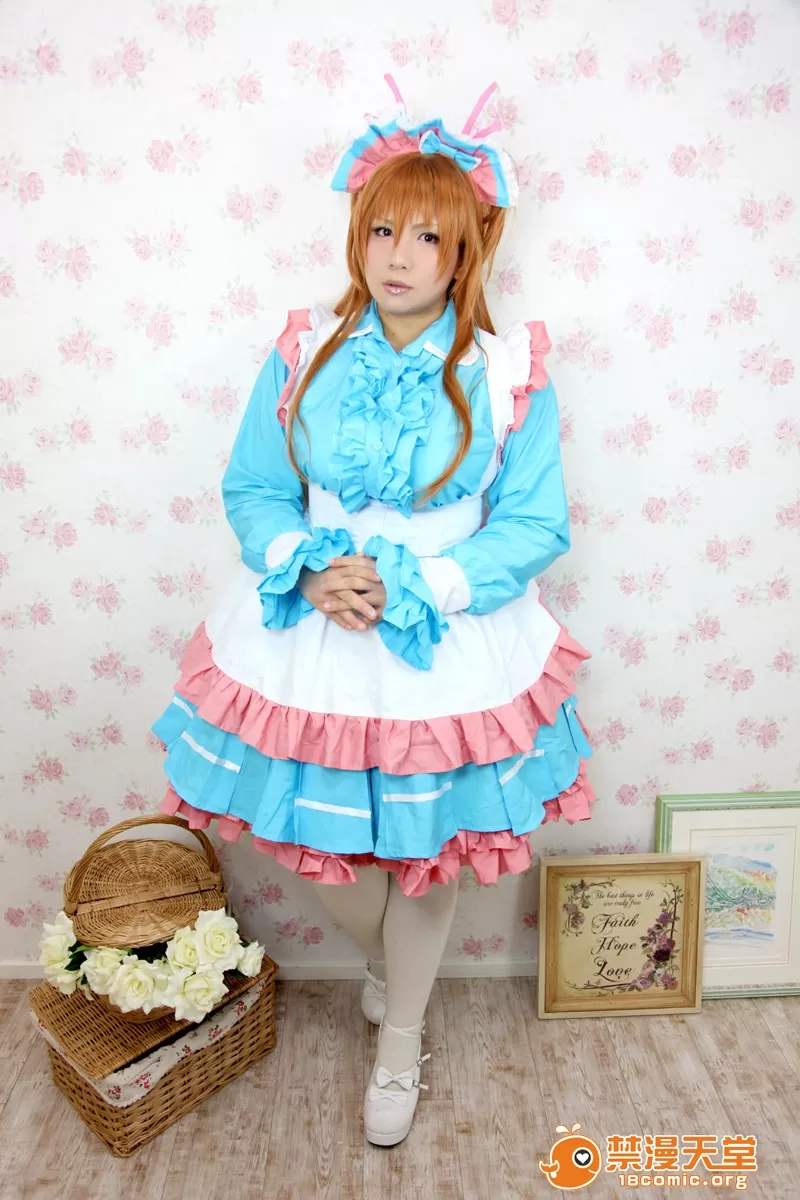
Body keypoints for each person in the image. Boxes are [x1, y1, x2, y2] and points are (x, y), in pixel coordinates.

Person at [151, 76, 596, 1147]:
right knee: (308, 841)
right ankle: (392, 972)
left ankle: (401, 1038)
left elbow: (533, 524)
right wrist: (306, 570)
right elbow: (255, 487)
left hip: (447, 633)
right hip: (311, 627)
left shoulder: (507, 372)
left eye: (427, 237)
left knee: (428, 849)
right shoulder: (301, 349)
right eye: (382, 229)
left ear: (465, 252)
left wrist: (421, 583)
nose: (398, 255)